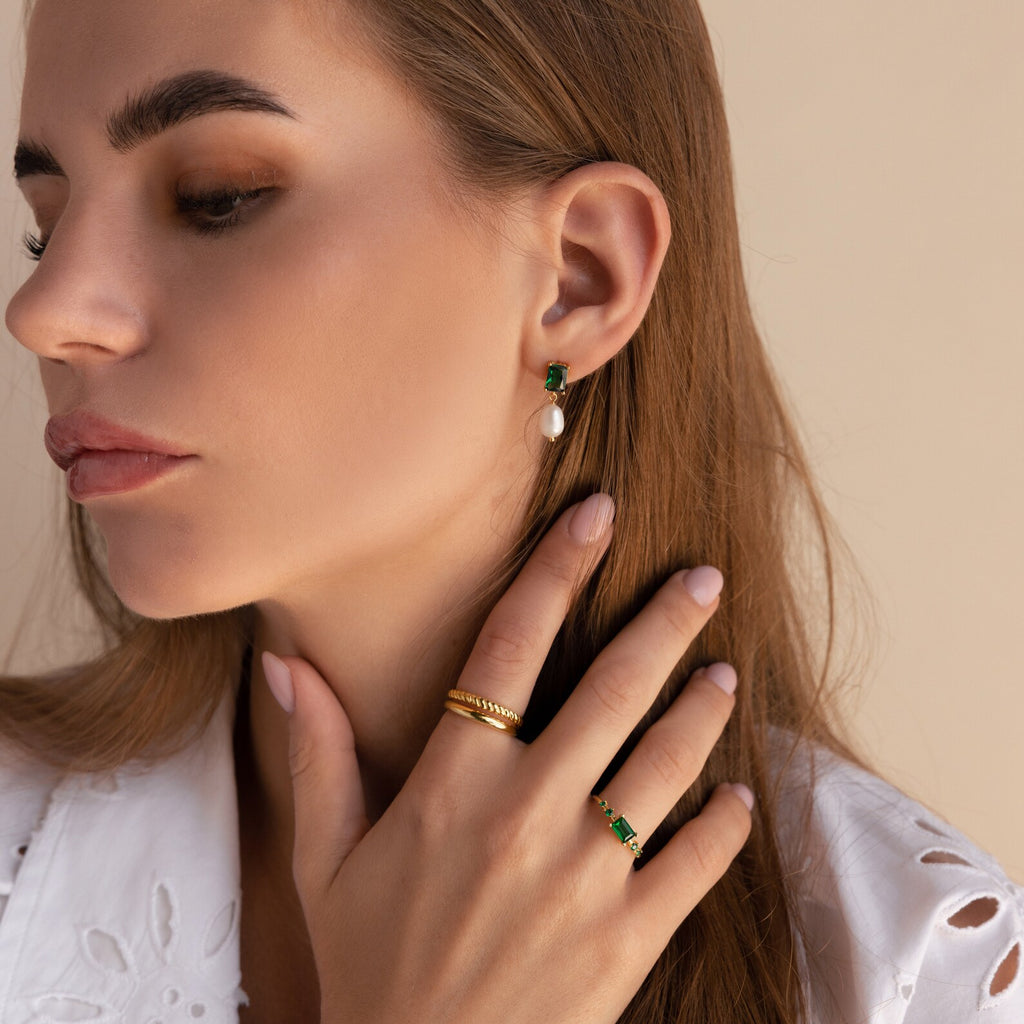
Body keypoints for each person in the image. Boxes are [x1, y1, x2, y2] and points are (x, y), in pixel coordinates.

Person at [0, 1, 1020, 1022]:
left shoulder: (917, 977)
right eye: (46, 231)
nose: (42, 313)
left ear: (580, 276)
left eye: (217, 197)